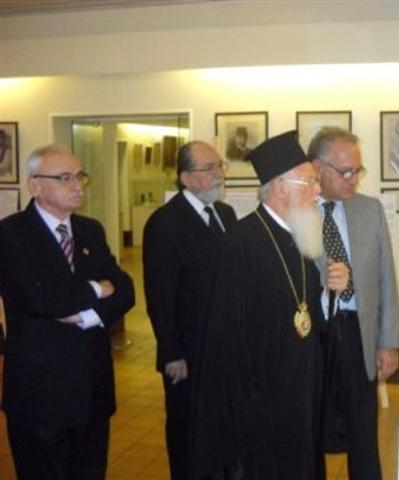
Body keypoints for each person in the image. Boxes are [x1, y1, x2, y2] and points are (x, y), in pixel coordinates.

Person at [190, 130, 348, 480]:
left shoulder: (298, 235)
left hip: (300, 394)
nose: (318, 191)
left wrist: (328, 294)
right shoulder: (240, 244)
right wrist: (246, 412)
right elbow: (227, 344)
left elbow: (303, 315)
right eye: (310, 182)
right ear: (280, 187)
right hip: (260, 407)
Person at [0, 144, 135, 480]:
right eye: (64, 178)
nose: (77, 185)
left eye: (79, 176)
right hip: (40, 396)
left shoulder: (90, 230)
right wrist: (96, 289)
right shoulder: (10, 234)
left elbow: (126, 290)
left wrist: (88, 317)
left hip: (91, 391)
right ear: (34, 185)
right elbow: (41, 299)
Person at [308, 127, 399, 480]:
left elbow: (386, 279)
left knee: (363, 432)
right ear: (317, 168)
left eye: (357, 171)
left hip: (358, 334)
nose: (353, 179)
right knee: (311, 430)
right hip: (313, 336)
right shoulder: (295, 214)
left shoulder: (370, 210)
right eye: (345, 171)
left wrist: (388, 342)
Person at [143, 141, 236, 480]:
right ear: (186, 178)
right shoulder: (164, 223)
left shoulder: (225, 214)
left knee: (220, 430)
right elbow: (159, 298)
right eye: (209, 168)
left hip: (223, 350)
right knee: (188, 432)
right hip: (188, 354)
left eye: (220, 165)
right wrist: (172, 353)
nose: (219, 174)